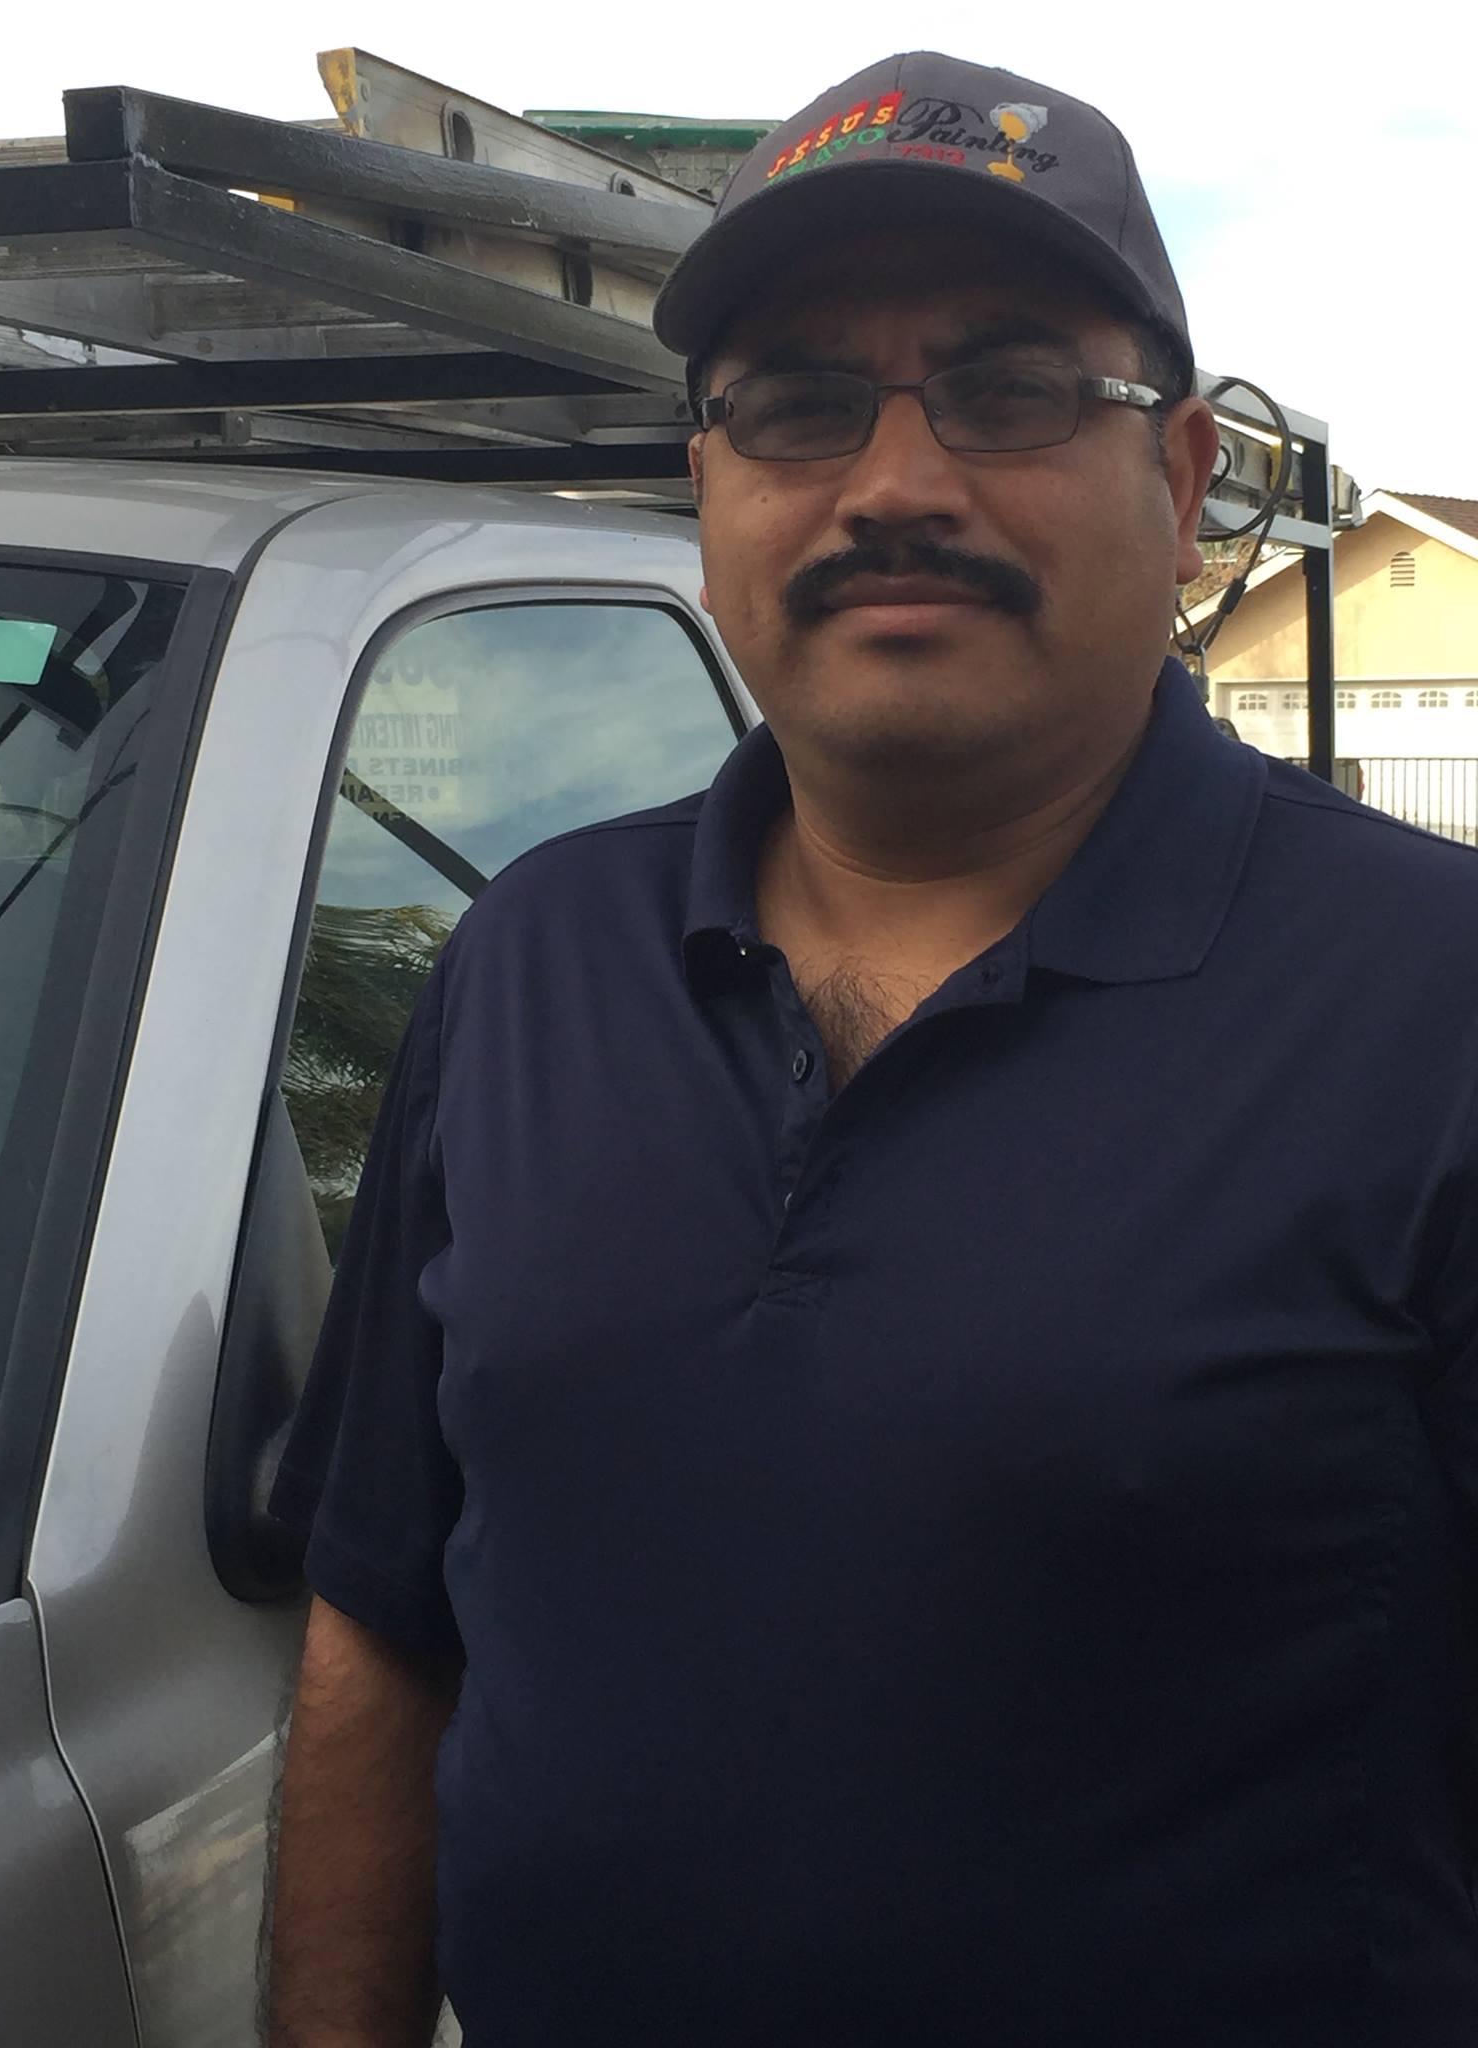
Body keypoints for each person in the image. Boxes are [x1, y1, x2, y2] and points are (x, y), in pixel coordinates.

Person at [266, 51, 1478, 2048]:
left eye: (1007, 391)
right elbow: (384, 1615)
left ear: (1179, 487)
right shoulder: (533, 958)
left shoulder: (1425, 1005)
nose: (896, 484)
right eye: (800, 405)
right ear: (712, 485)